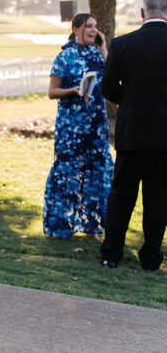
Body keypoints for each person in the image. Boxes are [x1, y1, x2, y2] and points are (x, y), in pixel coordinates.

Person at [99, 0, 167, 271]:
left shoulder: (123, 44)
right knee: (158, 198)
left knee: (121, 195)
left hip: (132, 133)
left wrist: (128, 101)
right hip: (165, 136)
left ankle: (111, 254)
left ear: (142, 12)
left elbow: (106, 88)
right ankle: (151, 258)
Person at [43, 13, 112, 238]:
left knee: (97, 174)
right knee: (68, 174)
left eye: (95, 26)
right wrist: (73, 91)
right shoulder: (65, 56)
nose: (94, 30)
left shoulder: (97, 54)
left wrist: (103, 49)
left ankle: (93, 226)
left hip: (96, 125)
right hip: (71, 127)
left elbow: (113, 75)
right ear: (76, 29)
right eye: (89, 26)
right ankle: (61, 226)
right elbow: (52, 92)